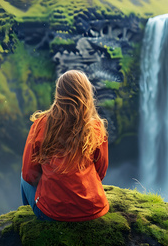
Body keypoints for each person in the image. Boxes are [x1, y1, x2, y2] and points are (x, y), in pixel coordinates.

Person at [21, 70, 109, 222]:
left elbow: (29, 174)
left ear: (59, 94)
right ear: (86, 94)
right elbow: (100, 171)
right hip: (93, 209)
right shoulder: (96, 127)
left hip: (52, 213)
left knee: (22, 177)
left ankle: (31, 220)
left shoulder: (41, 124)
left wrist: (52, 181)